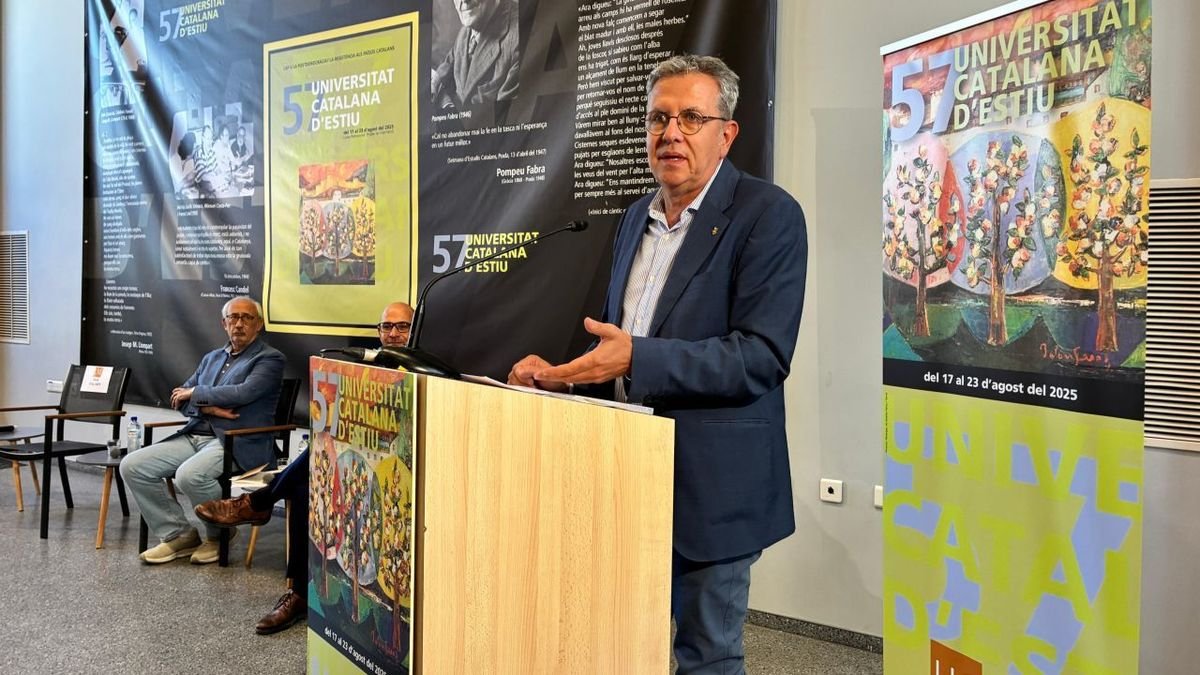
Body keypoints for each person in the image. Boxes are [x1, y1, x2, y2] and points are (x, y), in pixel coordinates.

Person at [507, 55, 807, 674]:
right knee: (624, 646)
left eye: (691, 118)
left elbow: (761, 356)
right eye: (658, 118)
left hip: (712, 488)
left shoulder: (768, 214)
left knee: (706, 655)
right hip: (624, 477)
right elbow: (620, 346)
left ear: (727, 134)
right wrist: (558, 377)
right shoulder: (632, 221)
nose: (671, 133)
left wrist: (637, 357)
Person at [194, 301, 415, 635]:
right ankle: (297, 594)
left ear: (416, 328)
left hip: (400, 469)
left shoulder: (429, 371)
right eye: (387, 327)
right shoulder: (367, 369)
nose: (394, 334)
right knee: (303, 485)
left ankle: (259, 504)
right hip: (356, 459)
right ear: (378, 331)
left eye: (402, 327)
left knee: (304, 477)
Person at [121, 297, 285, 566]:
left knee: (190, 475)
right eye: (233, 318)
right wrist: (209, 408)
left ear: (259, 325)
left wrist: (196, 393)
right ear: (224, 324)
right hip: (196, 434)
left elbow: (243, 393)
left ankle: (219, 535)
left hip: (237, 441)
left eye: (247, 318)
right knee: (133, 466)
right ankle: (179, 535)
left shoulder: (269, 359)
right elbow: (178, 398)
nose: (239, 324)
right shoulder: (212, 358)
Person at [431, 0, 519, 109]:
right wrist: (434, 83)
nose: (464, 1)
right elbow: (448, 66)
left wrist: (446, 105)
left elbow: (505, 114)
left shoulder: (518, 38)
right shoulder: (469, 26)